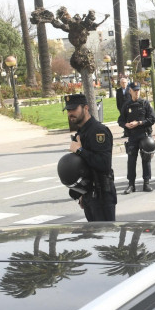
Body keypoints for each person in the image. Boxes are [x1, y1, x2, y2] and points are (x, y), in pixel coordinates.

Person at [64, 93, 116, 221]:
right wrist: (81, 192)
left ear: (86, 108)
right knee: (94, 239)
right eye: (68, 110)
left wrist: (80, 150)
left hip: (102, 196)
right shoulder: (82, 132)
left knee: (106, 238)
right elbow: (84, 167)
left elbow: (104, 164)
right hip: (89, 194)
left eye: (74, 109)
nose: (70, 113)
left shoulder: (98, 131)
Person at [119, 84, 155, 193]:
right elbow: (120, 120)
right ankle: (131, 185)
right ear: (130, 91)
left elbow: (152, 119)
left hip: (144, 135)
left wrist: (139, 123)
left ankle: (146, 183)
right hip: (132, 136)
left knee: (146, 159)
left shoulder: (145, 103)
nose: (137, 92)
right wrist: (126, 125)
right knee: (131, 160)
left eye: (138, 90)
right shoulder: (126, 105)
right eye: (134, 90)